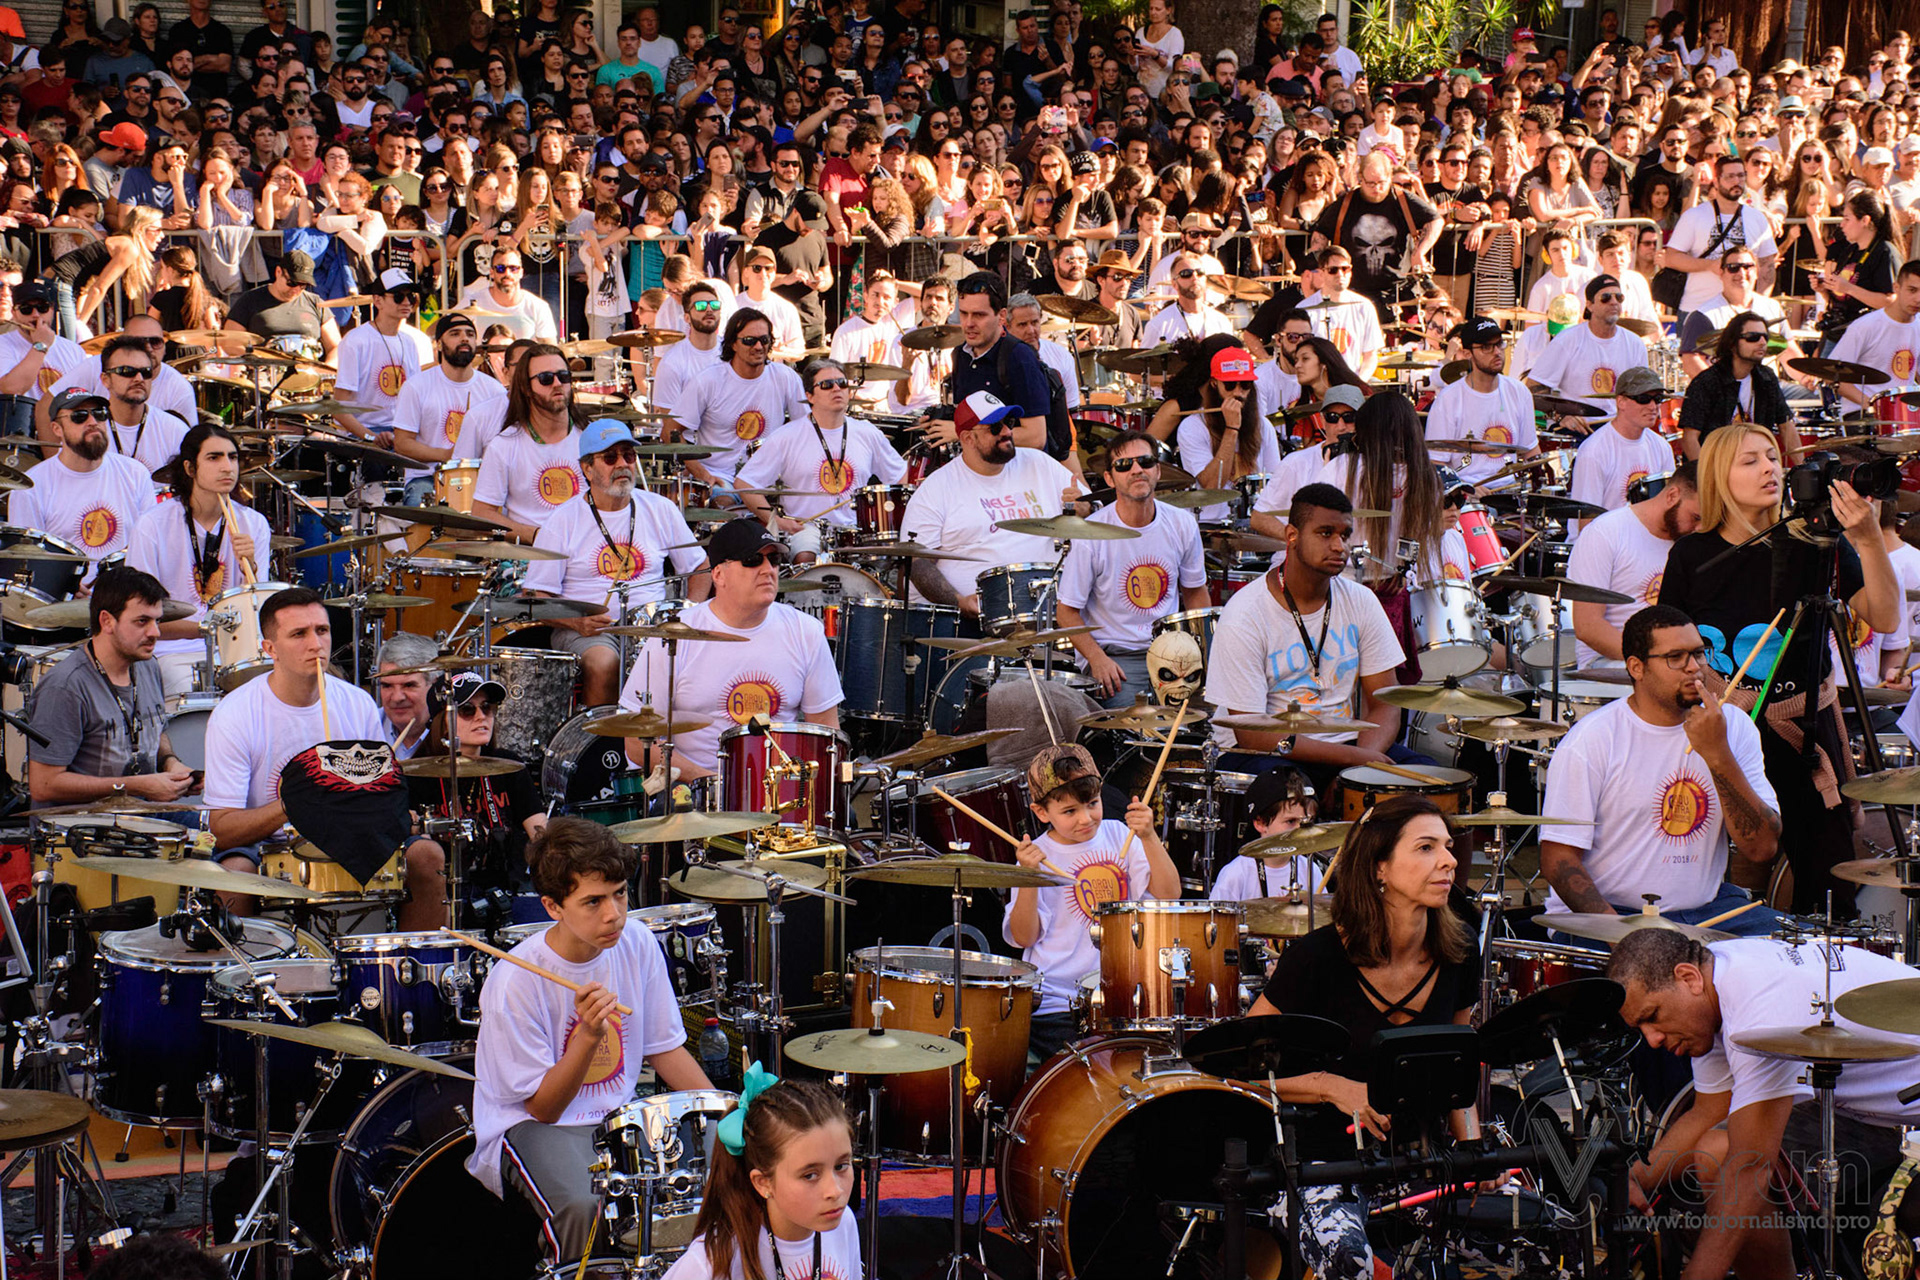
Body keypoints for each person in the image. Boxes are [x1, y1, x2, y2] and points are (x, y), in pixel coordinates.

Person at [1661, 425, 1899, 915]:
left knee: (1828, 882)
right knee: (1728, 877)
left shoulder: (1817, 542)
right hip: (1723, 729)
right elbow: (1668, 645)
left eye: (1772, 457)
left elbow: (1888, 617)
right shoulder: (1691, 554)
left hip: (1803, 729)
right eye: (1750, 461)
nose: (1770, 468)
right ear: (1717, 476)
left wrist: (1869, 539)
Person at [1246, 796, 1480, 1280]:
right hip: (1322, 1168)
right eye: (1425, 847)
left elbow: (1458, 1065)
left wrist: (1475, 1155)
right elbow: (1241, 1069)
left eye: (1449, 846)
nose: (1449, 859)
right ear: (1380, 868)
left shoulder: (1459, 952)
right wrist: (1332, 1086)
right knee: (1353, 1266)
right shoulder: (1316, 959)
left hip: (1421, 1159)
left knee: (1525, 1236)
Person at [1610, 928, 1920, 1275]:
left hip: (1900, 1119)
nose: (1651, 1039)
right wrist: (1633, 1179)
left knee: (1721, 1154)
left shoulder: (1757, 1004)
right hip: (1868, 1112)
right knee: (1718, 1147)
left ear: (1688, 978)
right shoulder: (1716, 978)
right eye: (1641, 1027)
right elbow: (1710, 1110)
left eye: (1652, 1016)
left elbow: (1751, 1166)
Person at [470, 818, 711, 1265]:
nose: (613, 914)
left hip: (619, 1116)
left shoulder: (637, 941)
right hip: (532, 1124)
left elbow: (664, 1048)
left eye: (620, 893)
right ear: (553, 906)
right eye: (593, 901)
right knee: (586, 1207)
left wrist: (721, 1112)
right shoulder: (514, 982)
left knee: (732, 1165)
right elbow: (543, 1108)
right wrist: (586, 1036)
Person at [1540, 605, 1783, 933]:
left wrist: (1718, 753)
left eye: (1699, 653)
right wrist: (1621, 934)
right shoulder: (1592, 739)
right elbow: (1558, 861)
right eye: (1676, 657)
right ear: (1637, 668)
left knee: (1795, 954)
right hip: (1615, 913)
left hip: (1707, 908)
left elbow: (1761, 847)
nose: (1694, 667)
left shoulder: (1733, 726)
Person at [1205, 482, 1408, 794]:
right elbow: (1252, 734)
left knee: (1426, 788)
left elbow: (1384, 702)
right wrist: (1354, 759)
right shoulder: (1245, 613)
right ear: (1291, 536)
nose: (1340, 546)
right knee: (1292, 796)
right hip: (1263, 755)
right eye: (1326, 533)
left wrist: (1357, 772)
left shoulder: (1361, 600)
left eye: (1345, 535)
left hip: (1347, 748)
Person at [201, 588, 397, 894]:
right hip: (267, 848)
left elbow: (380, 795)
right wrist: (296, 803)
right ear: (270, 648)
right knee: (235, 874)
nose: (316, 645)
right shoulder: (235, 714)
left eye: (322, 631)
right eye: (299, 634)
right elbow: (221, 830)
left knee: (427, 855)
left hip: (349, 837)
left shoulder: (358, 703)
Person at [616, 519, 842, 782]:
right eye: (752, 559)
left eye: (775, 559)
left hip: (777, 792)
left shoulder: (807, 631)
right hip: (693, 794)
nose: (768, 569)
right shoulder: (673, 637)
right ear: (718, 575)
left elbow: (826, 733)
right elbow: (636, 743)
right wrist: (712, 784)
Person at [1005, 743, 1179, 1060]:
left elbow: (1170, 894)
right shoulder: (1036, 858)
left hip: (1124, 995)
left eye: (1093, 803)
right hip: (1059, 1001)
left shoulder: (1119, 834)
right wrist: (1028, 877)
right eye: (1070, 811)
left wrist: (1149, 837)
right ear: (1041, 812)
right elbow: (1023, 937)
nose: (1086, 818)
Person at [526, 419, 712, 708]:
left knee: (685, 662)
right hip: (588, 630)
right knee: (604, 663)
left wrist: (689, 613)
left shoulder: (660, 508)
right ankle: (604, 749)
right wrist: (576, 621)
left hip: (651, 627)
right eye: (610, 458)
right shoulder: (561, 520)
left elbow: (700, 567)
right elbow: (537, 598)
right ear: (587, 468)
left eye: (629, 455)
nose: (622, 465)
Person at [1056, 431, 1209, 707]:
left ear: (1158, 471)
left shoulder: (1182, 523)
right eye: (1124, 465)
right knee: (1134, 731)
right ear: (1109, 478)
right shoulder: (1092, 534)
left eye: (1145, 461)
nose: (1137, 469)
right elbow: (1066, 611)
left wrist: (1203, 652)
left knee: (1207, 720)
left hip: (1172, 652)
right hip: (1116, 656)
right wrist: (1097, 659)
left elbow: (1196, 593)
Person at [661, 1074, 862, 1280]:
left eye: (841, 1166)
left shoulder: (843, 1222)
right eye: (810, 1175)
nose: (835, 1191)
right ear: (763, 1182)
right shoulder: (710, 1263)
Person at [24, 566, 193, 807]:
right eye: (142, 621)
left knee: (219, 833)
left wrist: (170, 762)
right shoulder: (65, 686)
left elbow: (155, 729)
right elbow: (44, 785)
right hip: (85, 831)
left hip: (142, 816)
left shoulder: (148, 666)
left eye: (157, 620)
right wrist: (136, 786)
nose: (155, 632)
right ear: (106, 621)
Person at [899, 391, 1076, 617]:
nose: (1007, 432)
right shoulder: (936, 489)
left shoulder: (1039, 463)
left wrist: (1081, 508)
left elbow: (1092, 513)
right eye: (995, 428)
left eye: (1009, 423)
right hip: (975, 624)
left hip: (1051, 610)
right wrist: (959, 602)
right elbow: (917, 563)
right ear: (967, 439)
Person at [125, 423, 270, 697]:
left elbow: (255, 614)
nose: (227, 467)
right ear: (190, 469)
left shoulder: (253, 523)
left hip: (235, 653)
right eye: (214, 458)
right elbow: (140, 615)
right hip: (170, 653)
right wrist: (206, 631)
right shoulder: (153, 525)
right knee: (186, 691)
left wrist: (249, 566)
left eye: (233, 457)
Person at [403, 671, 548, 930]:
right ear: (443, 722)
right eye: (467, 709)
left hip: (504, 896)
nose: (481, 717)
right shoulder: (416, 775)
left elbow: (541, 834)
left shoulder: (509, 766)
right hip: (442, 901)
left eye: (487, 708)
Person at [735, 359, 909, 563]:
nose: (837, 389)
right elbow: (745, 484)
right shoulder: (786, 436)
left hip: (857, 529)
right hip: (807, 527)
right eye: (827, 385)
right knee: (806, 556)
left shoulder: (867, 432)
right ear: (809, 396)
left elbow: (901, 477)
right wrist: (776, 521)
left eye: (842, 383)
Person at [10, 389, 156, 583]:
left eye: (99, 414)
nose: (92, 422)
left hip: (125, 596)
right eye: (79, 416)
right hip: (61, 601)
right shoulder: (31, 485)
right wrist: (62, 583)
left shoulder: (135, 473)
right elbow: (26, 559)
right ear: (57, 429)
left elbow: (151, 545)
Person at [1566, 462, 1699, 667]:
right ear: (1672, 496)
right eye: (1695, 517)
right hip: (1609, 661)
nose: (1698, 528)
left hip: (1676, 661)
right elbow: (1588, 625)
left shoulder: (1691, 543)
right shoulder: (1606, 531)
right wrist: (1652, 661)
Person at [672, 309, 807, 492]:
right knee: (723, 503)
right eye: (749, 341)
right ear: (733, 344)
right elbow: (671, 431)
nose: (759, 347)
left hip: (770, 478)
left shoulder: (786, 377)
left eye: (764, 340)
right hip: (720, 476)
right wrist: (702, 474)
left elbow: (806, 430)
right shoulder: (708, 380)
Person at [920, 271, 1052, 455]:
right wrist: (937, 424)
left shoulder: (1019, 357)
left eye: (979, 315)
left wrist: (960, 432)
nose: (968, 323)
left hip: (1016, 473)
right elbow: (969, 420)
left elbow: (1035, 437)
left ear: (1002, 316)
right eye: (964, 314)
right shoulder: (961, 353)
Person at [472, 345, 584, 545]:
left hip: (585, 554)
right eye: (546, 379)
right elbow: (482, 514)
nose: (557, 384)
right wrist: (538, 536)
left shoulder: (591, 439)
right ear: (526, 388)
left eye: (563, 376)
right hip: (529, 557)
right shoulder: (503, 446)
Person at [391, 311, 508, 495]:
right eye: (455, 334)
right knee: (420, 504)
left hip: (481, 478)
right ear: (438, 344)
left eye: (470, 334)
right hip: (428, 478)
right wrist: (449, 456)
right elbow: (402, 443)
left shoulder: (495, 391)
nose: (464, 339)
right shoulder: (416, 386)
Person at [1424, 316, 1540, 488]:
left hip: (1510, 491)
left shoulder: (1519, 392)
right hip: (1466, 494)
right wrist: (1463, 488)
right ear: (1468, 353)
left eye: (1499, 343)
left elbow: (1531, 451)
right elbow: (1435, 464)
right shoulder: (1448, 399)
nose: (1497, 352)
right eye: (1486, 347)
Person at [1663, 154, 1779, 323]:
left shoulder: (1757, 218)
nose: (1736, 181)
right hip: (1697, 309)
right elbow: (1671, 257)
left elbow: (1768, 264)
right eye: (1730, 176)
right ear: (1716, 182)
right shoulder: (1694, 216)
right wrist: (1710, 265)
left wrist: (1757, 304)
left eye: (1740, 175)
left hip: (1742, 314)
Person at [1176, 344, 1280, 523]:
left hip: (1252, 524)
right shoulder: (1192, 427)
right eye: (1230, 385)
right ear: (1214, 384)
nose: (1238, 393)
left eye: (1245, 385)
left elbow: (1275, 483)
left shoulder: (1263, 425)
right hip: (1210, 523)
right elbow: (1211, 487)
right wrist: (1231, 429)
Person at [1524, 274, 1651, 421]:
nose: (1614, 302)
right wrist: (1562, 417)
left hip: (1619, 427)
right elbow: (1534, 387)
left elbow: (1643, 391)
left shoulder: (1635, 343)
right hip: (1578, 428)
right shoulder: (1567, 340)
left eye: (1619, 297)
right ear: (1589, 305)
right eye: (1606, 297)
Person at [1567, 366, 1682, 522]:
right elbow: (1586, 521)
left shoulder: (1661, 446)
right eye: (1643, 399)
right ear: (1621, 402)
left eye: (1658, 399)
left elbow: (1671, 506)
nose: (1653, 406)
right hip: (1605, 540)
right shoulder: (1594, 451)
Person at [331, 269, 431, 446]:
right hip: (365, 431)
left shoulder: (409, 341)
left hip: (401, 429)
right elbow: (339, 408)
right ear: (378, 301)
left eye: (412, 297)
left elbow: (414, 399)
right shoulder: (356, 340)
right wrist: (370, 437)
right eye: (399, 296)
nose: (407, 302)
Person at [1249, 383, 1364, 538]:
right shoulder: (1295, 463)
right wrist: (1300, 542)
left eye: (1349, 418)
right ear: (1322, 421)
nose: (1341, 426)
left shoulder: (1374, 465)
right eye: (1332, 418)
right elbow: (1259, 517)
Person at [1677, 310, 1793, 462]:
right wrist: (1706, 478)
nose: (1762, 342)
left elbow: (1786, 426)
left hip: (1755, 468)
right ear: (1732, 343)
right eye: (1753, 337)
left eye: (1765, 337)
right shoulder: (1706, 382)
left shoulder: (1767, 378)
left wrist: (1803, 471)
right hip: (1717, 467)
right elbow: (1689, 439)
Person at [1207, 764, 1325, 900]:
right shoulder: (1236, 874)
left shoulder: (1310, 870)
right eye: (1291, 821)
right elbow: (1217, 921)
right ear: (1261, 823)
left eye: (1307, 822)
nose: (1300, 830)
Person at [1827, 257, 1920, 411]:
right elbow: (1833, 376)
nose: (1918, 299)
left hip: (1905, 416)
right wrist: (1872, 405)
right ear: (1896, 288)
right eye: (1912, 290)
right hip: (1863, 417)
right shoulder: (1865, 326)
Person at [92, 332, 190, 475]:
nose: (139, 378)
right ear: (105, 379)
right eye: (127, 371)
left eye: (146, 372)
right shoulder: (87, 429)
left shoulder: (175, 430)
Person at [222, 250, 340, 361]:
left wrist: (327, 370)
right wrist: (254, 359)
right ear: (278, 272)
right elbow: (230, 343)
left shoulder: (315, 302)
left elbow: (336, 347)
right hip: (265, 374)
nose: (297, 289)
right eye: (292, 283)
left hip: (308, 374)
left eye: (303, 285)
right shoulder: (250, 300)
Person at [1296, 246, 1384, 381]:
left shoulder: (1364, 306)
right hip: (1315, 385)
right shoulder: (1304, 310)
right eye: (1333, 270)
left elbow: (1371, 355)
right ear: (1321, 273)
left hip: (1352, 383)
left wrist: (1359, 383)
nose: (1340, 274)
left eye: (1345, 269)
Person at [0, 281, 86, 403]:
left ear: (51, 310)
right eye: (26, 309)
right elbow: (12, 389)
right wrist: (41, 346)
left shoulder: (74, 350)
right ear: (14, 313)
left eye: (42, 308)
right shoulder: (3, 344)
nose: (36, 315)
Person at [651, 278, 725, 419]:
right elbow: (670, 427)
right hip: (690, 439)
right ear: (687, 318)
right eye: (701, 306)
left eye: (714, 305)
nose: (709, 309)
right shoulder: (671, 363)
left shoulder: (734, 354)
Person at [455, 246, 558, 341]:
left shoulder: (538, 306)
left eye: (513, 269)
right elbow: (444, 325)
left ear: (521, 273)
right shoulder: (474, 301)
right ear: (491, 273)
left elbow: (550, 348)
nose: (507, 273)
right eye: (500, 269)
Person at [1141, 248, 1233, 347]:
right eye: (1186, 274)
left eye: (1200, 272)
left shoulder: (1221, 321)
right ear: (1174, 284)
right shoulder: (1158, 324)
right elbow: (1145, 361)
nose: (1195, 277)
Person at [374, 631, 436, 760]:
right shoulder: (366, 728)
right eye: (387, 686)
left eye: (409, 685)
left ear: (434, 685)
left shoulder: (455, 732)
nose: (397, 698)